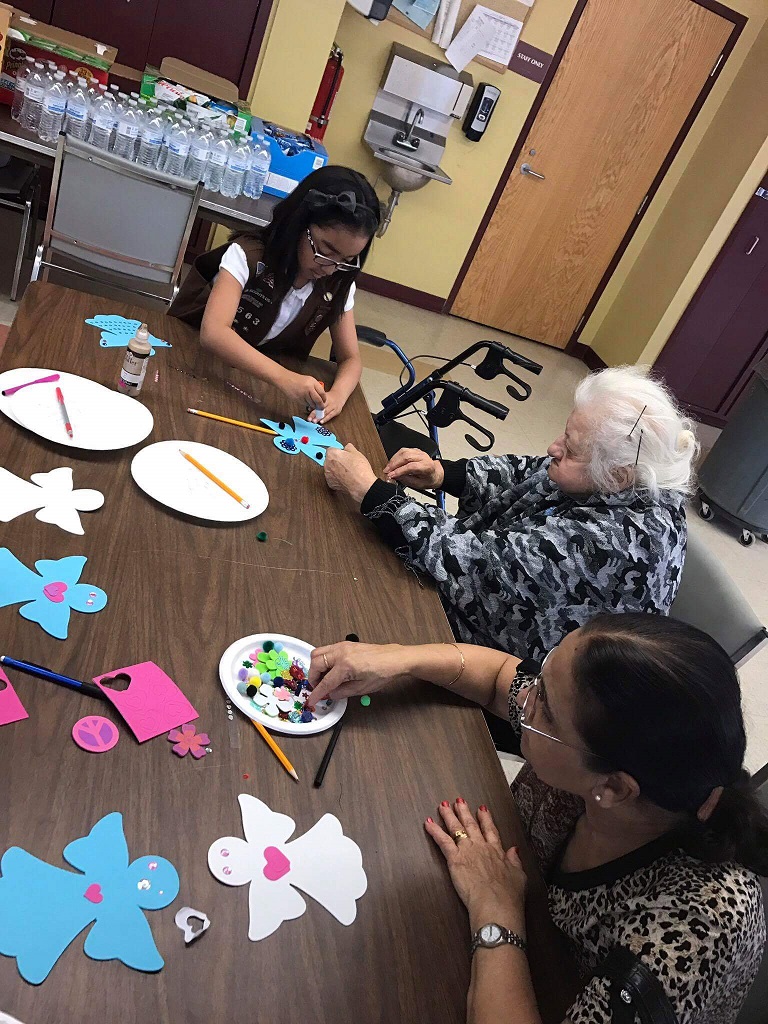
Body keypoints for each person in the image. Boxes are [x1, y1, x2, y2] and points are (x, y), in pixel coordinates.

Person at [307, 614, 768, 1024]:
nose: (525, 697)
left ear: (612, 788)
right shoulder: (604, 757)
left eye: (543, 706)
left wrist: (495, 905)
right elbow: (499, 677)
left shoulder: (697, 928)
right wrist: (397, 659)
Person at [324, 366, 698, 657]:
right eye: (565, 434)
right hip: (485, 598)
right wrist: (444, 474)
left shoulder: (608, 543)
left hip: (500, 664)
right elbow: (533, 473)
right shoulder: (620, 476)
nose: (553, 448)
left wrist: (369, 491)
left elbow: (470, 563)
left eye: (570, 448)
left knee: (343, 594)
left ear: (616, 475)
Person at [169, 165, 380, 424]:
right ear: (299, 224)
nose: (330, 268)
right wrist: (285, 378)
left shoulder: (337, 282)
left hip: (254, 387)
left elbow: (351, 359)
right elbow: (214, 333)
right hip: (193, 365)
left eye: (346, 260)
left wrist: (337, 395)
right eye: (325, 251)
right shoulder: (248, 256)